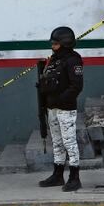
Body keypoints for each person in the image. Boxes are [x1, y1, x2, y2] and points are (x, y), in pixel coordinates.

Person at [36, 25, 84, 192]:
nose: (53, 46)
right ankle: (58, 175)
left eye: (55, 43)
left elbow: (76, 86)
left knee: (69, 142)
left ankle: (74, 178)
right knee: (57, 142)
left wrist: (61, 99)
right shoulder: (54, 60)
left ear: (65, 43)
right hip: (52, 108)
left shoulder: (73, 60)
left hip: (66, 109)